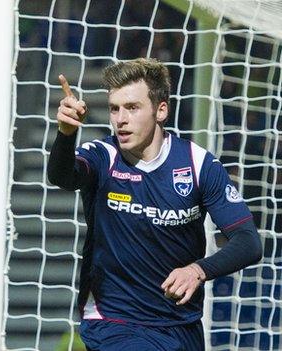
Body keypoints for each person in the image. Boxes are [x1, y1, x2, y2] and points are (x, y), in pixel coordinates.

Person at [48, 58, 262, 350]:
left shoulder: (198, 165)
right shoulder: (102, 156)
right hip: (114, 322)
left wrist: (197, 271)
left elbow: (249, 242)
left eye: (132, 108)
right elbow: (63, 176)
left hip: (180, 326)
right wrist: (66, 134)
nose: (120, 119)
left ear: (161, 110)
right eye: (114, 108)